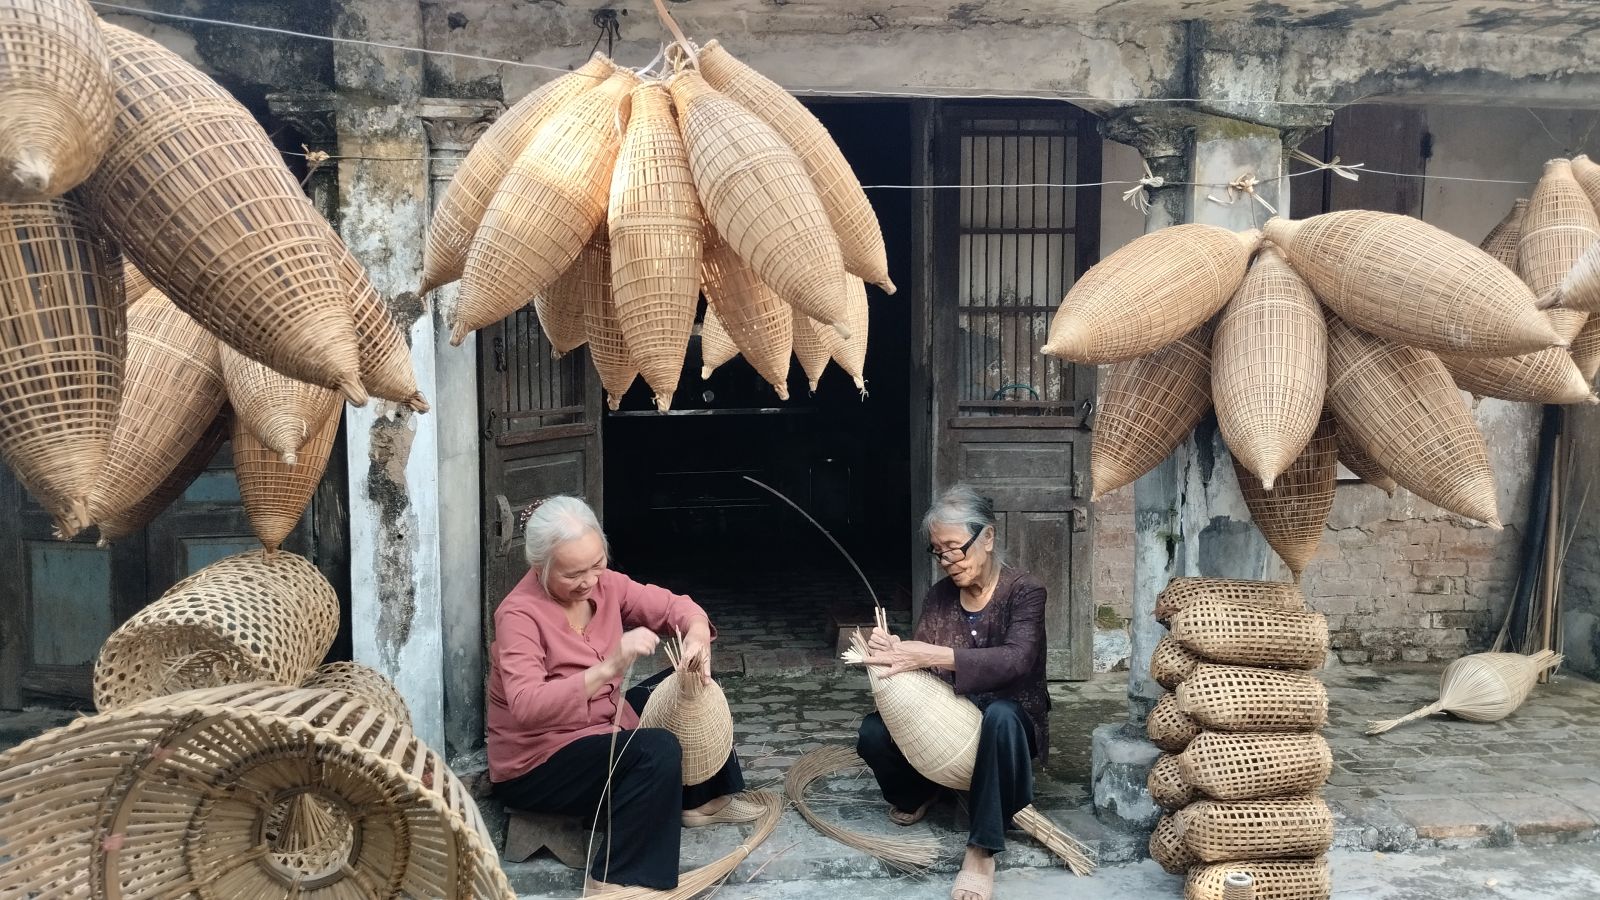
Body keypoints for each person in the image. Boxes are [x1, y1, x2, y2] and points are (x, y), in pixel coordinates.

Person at [487, 495, 761, 892]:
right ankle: (617, 878)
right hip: (541, 760)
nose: (589, 581)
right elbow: (528, 707)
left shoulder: (608, 586)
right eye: (572, 574)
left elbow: (673, 607)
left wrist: (698, 633)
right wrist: (609, 668)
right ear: (539, 567)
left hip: (602, 725)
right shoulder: (518, 615)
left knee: (691, 682)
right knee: (656, 750)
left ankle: (701, 801)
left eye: (597, 565)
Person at [857, 485, 1050, 900]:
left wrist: (931, 652)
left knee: (1000, 715)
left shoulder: (1025, 590)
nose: (947, 562)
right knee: (872, 732)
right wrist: (894, 652)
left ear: (988, 537)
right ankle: (922, 790)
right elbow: (925, 667)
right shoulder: (940, 595)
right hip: (949, 721)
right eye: (938, 552)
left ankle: (981, 848)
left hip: (1009, 724)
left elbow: (1017, 660)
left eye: (954, 549)